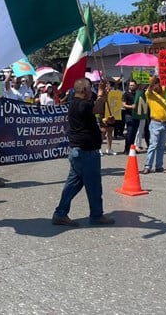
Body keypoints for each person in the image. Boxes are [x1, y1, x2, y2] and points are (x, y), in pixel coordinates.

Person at [52, 78, 114, 227]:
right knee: (94, 186)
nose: (91, 92)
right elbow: (97, 108)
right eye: (90, 89)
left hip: (78, 151)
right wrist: (101, 94)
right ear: (85, 90)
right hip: (86, 153)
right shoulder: (81, 104)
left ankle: (60, 213)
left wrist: (102, 99)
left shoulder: (74, 102)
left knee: (73, 184)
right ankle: (97, 215)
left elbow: (93, 114)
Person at [143, 76, 166, 174]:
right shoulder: (150, 94)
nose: (159, 85)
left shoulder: (162, 93)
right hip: (155, 123)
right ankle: (148, 166)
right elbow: (149, 88)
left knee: (161, 146)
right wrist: (153, 80)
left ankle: (159, 166)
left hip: (164, 123)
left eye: (159, 83)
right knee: (153, 145)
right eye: (156, 84)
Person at [122, 79, 138, 153]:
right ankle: (126, 148)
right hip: (129, 115)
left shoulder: (138, 94)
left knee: (134, 132)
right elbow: (124, 104)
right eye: (130, 85)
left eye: (133, 85)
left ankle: (132, 148)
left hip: (137, 115)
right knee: (130, 132)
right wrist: (131, 106)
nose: (131, 86)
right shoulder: (126, 94)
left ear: (136, 86)